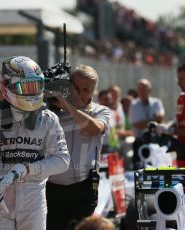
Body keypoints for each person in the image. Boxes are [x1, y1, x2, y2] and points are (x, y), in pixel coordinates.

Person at [0, 56, 70, 230]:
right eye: (26, 87)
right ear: (7, 86)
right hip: (2, 197)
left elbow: (62, 160)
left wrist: (26, 169)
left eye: (36, 86)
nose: (32, 92)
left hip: (34, 197)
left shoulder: (48, 119)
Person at [46, 65, 111, 230]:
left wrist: (67, 105)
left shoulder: (100, 111)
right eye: (76, 88)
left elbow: (95, 128)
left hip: (83, 187)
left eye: (86, 90)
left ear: (94, 91)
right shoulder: (51, 111)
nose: (80, 94)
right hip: (52, 186)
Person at [158, 61, 185, 212]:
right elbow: (178, 121)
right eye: (178, 79)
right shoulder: (181, 98)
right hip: (182, 157)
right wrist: (169, 127)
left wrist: (174, 131)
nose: (179, 83)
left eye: (183, 79)